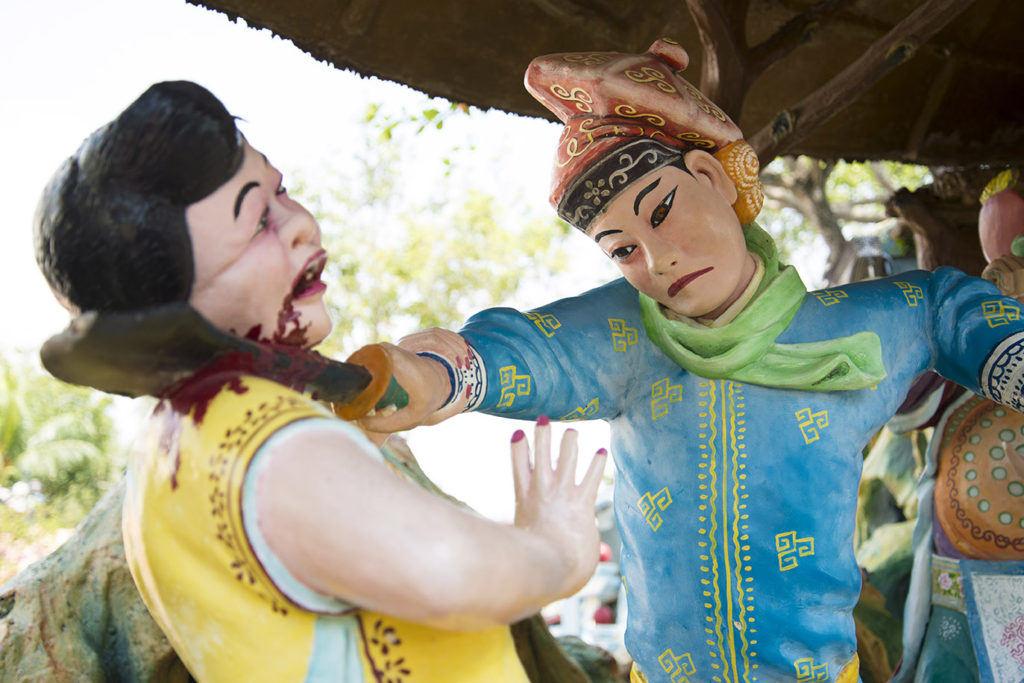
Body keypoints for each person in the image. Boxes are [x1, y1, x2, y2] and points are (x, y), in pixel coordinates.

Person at [363, 39, 1024, 682]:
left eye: (663, 211)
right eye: (622, 249)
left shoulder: (861, 323)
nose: (658, 258)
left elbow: (946, 311)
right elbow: (528, 351)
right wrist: (432, 376)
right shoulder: (625, 336)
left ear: (710, 176)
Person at [33, 80, 609, 682]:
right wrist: (554, 552)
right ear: (165, 300)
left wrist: (363, 449)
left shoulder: (175, 444)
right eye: (257, 222)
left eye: (279, 192)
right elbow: (448, 570)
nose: (302, 225)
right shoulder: (272, 438)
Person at [889, 169, 1024, 683]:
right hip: (957, 580)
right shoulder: (976, 348)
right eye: (997, 266)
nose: (1006, 276)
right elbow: (900, 406)